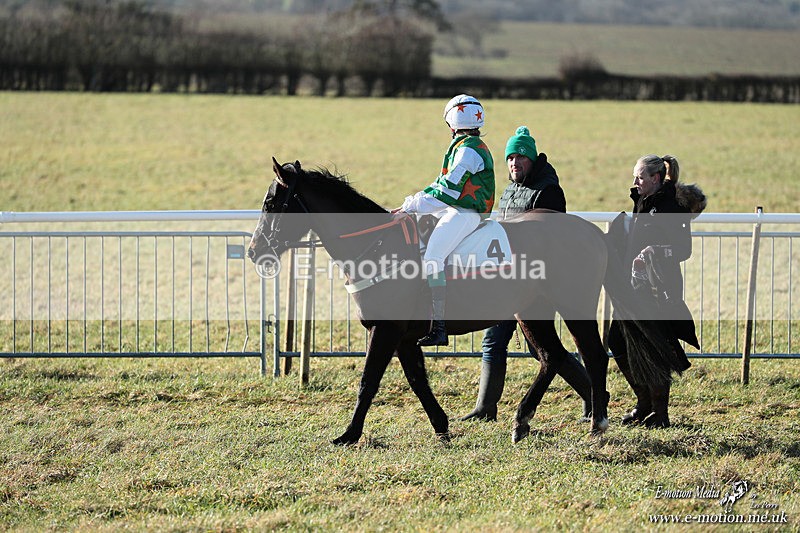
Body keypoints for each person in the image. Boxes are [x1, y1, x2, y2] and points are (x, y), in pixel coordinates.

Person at [461, 126, 591, 422]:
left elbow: (551, 240)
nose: (514, 162)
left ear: (532, 160)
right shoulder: (510, 190)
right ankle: (485, 408)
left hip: (533, 283)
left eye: (520, 156)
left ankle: (594, 396)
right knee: (493, 341)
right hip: (503, 279)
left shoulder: (548, 192)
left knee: (543, 350)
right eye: (510, 157)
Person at [607, 154, 706, 428]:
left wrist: (656, 251)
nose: (635, 181)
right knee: (617, 341)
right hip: (633, 286)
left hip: (658, 288)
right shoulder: (642, 200)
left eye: (640, 177)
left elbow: (683, 250)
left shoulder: (672, 205)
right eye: (635, 176)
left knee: (656, 349)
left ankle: (660, 414)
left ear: (656, 178)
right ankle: (644, 402)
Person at [393, 94, 495, 346]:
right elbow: (439, 187)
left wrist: (411, 205)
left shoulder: (468, 150)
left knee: (433, 256)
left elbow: (447, 191)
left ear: (451, 123)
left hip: (467, 213)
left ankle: (438, 327)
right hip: (456, 209)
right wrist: (412, 203)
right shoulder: (466, 146)